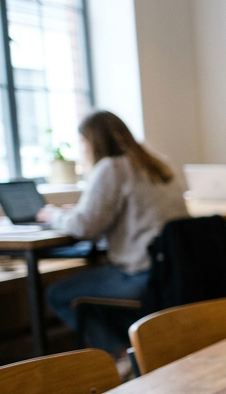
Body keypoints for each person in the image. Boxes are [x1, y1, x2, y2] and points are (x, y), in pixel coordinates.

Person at [38, 111, 189, 356]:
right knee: (93, 292)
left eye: (82, 143)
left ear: (92, 143)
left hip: (141, 274)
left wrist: (53, 215)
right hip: (174, 270)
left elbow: (84, 227)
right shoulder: (156, 163)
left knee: (57, 294)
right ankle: (136, 350)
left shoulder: (111, 168)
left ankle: (121, 354)